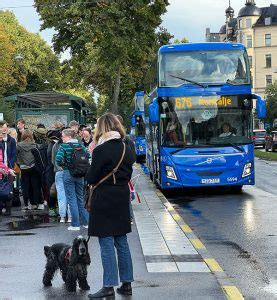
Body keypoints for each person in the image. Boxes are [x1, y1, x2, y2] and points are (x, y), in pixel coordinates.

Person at [86, 113, 135, 299]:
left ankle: (108, 286)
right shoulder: (127, 146)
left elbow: (91, 177)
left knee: (106, 242)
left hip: (104, 198)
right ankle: (127, 283)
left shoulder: (101, 150)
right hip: (121, 196)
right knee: (121, 241)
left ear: (102, 128)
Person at [56, 129, 89, 230]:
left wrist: (65, 166)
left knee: (71, 199)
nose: (62, 138)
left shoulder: (64, 146)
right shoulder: (81, 146)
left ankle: (75, 224)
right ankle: (85, 222)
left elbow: (58, 159)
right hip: (80, 175)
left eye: (63, 136)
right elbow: (88, 157)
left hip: (68, 173)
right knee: (80, 198)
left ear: (68, 136)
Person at [17, 130, 44, 210]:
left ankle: (27, 204)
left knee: (25, 186)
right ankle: (38, 203)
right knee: (36, 186)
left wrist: (20, 164)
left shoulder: (18, 146)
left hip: (24, 168)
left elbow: (16, 156)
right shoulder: (35, 145)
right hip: (34, 168)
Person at [51, 130, 71, 223]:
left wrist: (59, 167)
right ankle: (70, 216)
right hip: (69, 171)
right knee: (70, 194)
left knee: (61, 195)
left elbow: (53, 160)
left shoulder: (56, 146)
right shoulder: (71, 146)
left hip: (59, 172)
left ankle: (62, 217)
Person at [0, 121, 17, 215]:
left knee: (9, 188)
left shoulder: (12, 140)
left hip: (9, 167)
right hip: (1, 167)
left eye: (6, 127)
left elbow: (14, 154)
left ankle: (8, 209)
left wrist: (9, 167)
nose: (4, 129)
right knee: (1, 188)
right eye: (2, 127)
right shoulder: (0, 140)